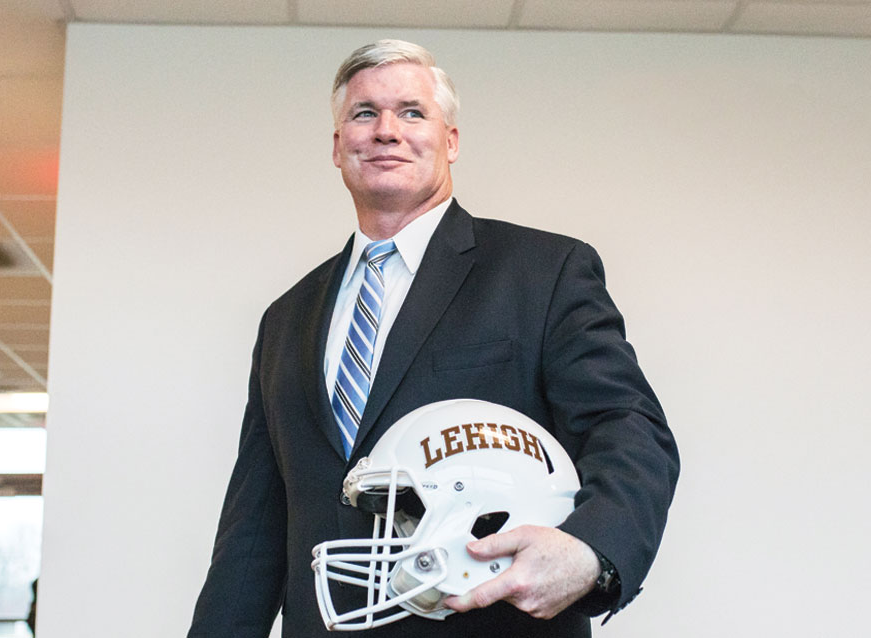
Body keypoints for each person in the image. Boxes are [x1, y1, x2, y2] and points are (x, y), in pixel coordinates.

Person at [188, 39, 679, 638]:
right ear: (338, 146)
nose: (386, 130)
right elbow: (254, 525)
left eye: (412, 112)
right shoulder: (285, 318)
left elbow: (628, 427)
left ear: (450, 141)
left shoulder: (543, 271)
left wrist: (589, 551)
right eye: (364, 114)